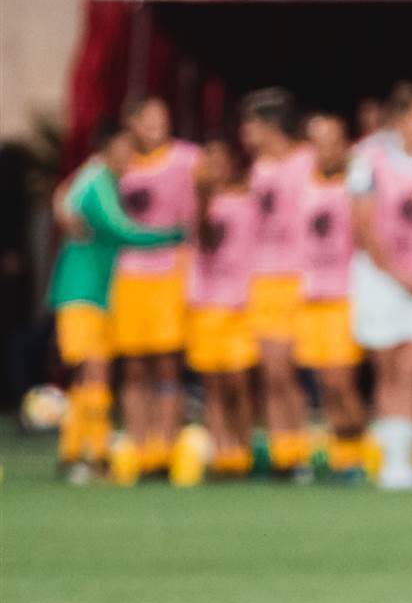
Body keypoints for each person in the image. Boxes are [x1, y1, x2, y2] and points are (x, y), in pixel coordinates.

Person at [46, 128, 183, 483]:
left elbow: (63, 196)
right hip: (81, 291)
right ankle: (88, 453)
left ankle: (79, 452)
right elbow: (121, 230)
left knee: (91, 374)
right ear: (107, 149)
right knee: (94, 371)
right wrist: (175, 234)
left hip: (100, 293)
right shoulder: (98, 181)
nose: (128, 159)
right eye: (123, 150)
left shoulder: (97, 178)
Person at [349, 84, 412, 491]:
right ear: (402, 120)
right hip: (380, 276)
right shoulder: (368, 160)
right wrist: (396, 271)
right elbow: (364, 224)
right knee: (387, 368)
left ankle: (407, 458)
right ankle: (390, 462)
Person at [107, 97, 198, 479]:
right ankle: (139, 447)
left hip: (169, 274)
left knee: (166, 364)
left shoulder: (187, 159)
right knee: (134, 366)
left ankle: (165, 446)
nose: (158, 126)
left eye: (164, 118)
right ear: (133, 122)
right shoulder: (119, 163)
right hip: (129, 275)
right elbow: (75, 191)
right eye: (149, 119)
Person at [241, 88, 314, 480]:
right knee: (270, 372)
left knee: (289, 371)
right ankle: (282, 453)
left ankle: (300, 450)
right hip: (262, 280)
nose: (245, 131)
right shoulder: (256, 169)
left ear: (271, 125)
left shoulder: (307, 161)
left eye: (251, 122)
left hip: (298, 278)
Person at [298, 113, 369, 482]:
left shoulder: (357, 183)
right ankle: (340, 458)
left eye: (330, 139)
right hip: (311, 295)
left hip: (345, 293)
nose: (323, 148)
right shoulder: (303, 183)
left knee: (343, 380)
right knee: (324, 383)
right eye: (316, 140)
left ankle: (360, 455)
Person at [185, 138, 259, 480]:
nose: (213, 168)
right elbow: (204, 241)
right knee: (213, 384)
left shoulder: (248, 199)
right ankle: (221, 453)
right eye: (207, 161)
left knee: (239, 381)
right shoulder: (196, 204)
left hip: (240, 301)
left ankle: (241, 450)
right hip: (206, 302)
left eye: (219, 160)